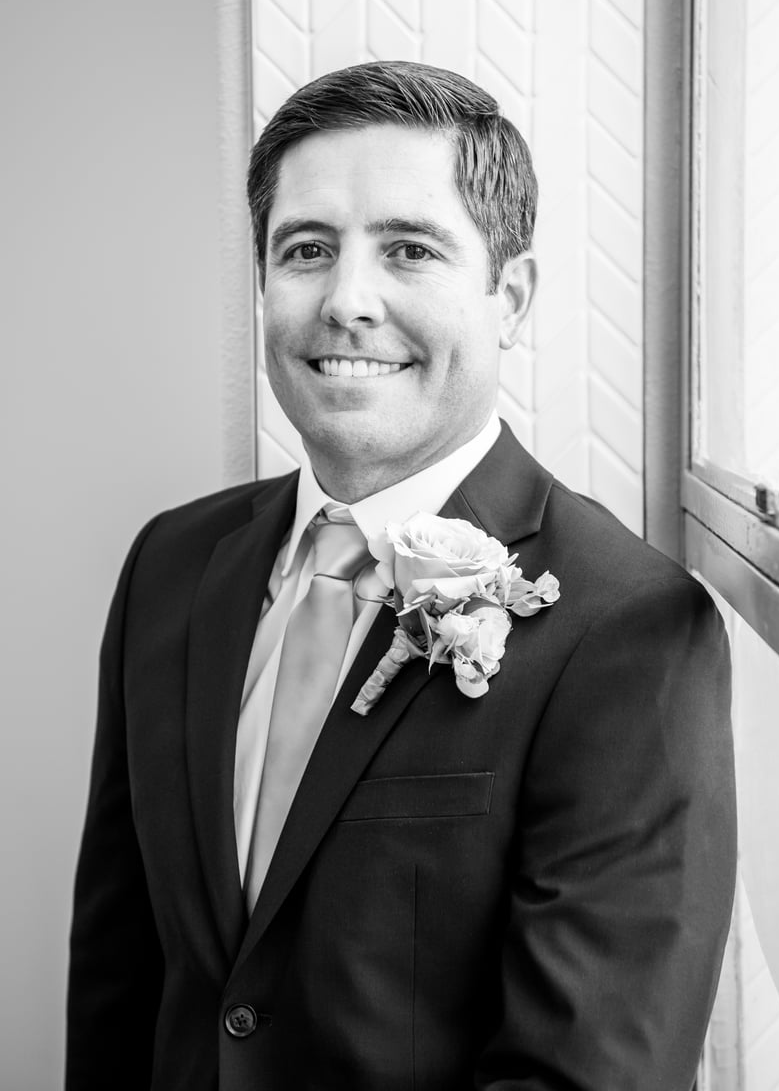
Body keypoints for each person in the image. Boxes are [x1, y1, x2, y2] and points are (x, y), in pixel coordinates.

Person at [66, 61, 736, 1091]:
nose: (345, 301)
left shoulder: (630, 628)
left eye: (409, 250)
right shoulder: (170, 565)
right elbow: (120, 983)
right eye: (306, 250)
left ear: (509, 298)